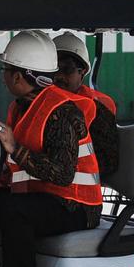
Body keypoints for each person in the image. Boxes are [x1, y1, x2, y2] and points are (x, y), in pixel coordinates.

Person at [0, 31, 103, 267]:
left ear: (18, 77)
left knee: (15, 213)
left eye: (6, 70)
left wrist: (15, 148)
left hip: (76, 207)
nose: (3, 76)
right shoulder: (22, 106)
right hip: (45, 199)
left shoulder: (63, 111)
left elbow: (62, 174)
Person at [52, 32, 119, 179]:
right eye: (54, 69)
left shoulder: (97, 108)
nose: (58, 76)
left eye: (67, 69)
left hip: (75, 188)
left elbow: (107, 163)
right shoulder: (40, 102)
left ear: (82, 73)